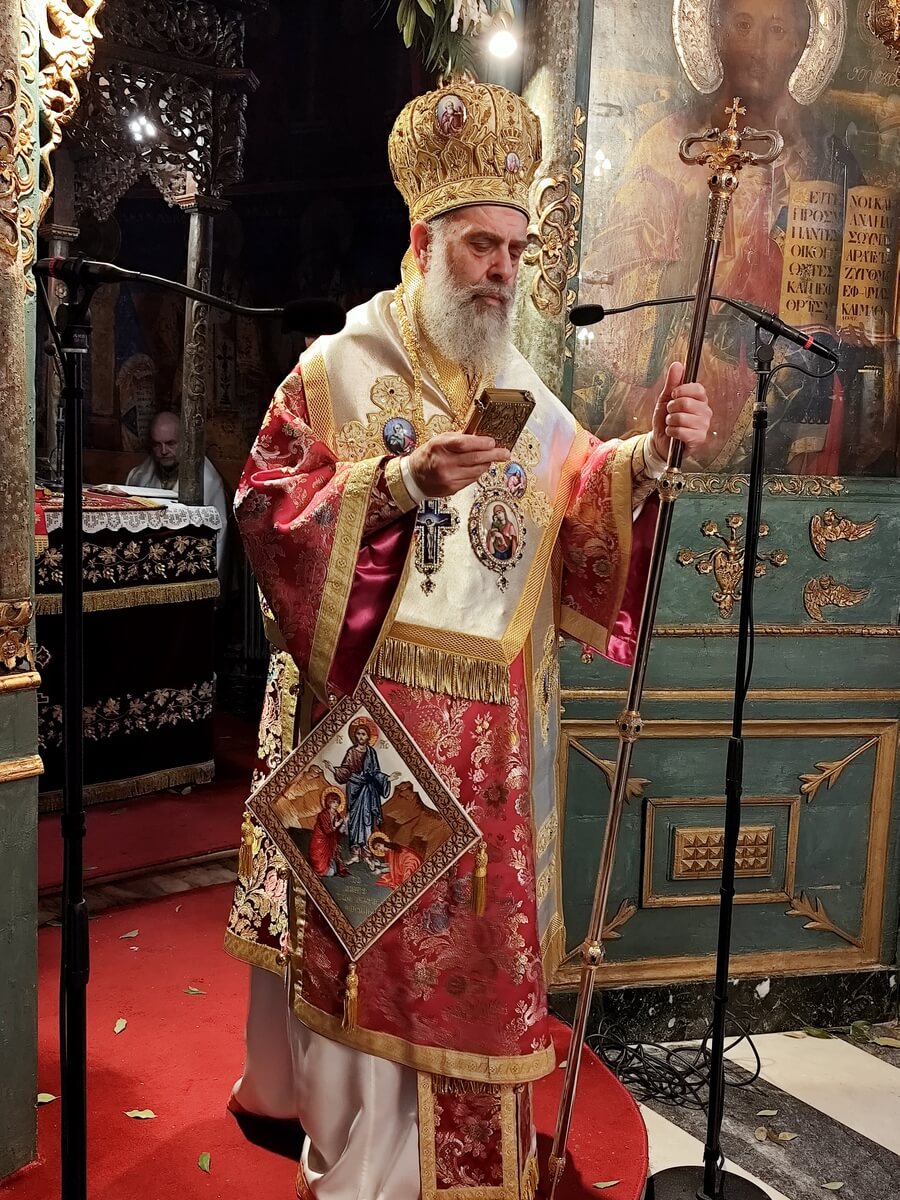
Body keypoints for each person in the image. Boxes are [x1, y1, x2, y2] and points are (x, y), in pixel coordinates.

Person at [224, 80, 712, 1199]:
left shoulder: (521, 385)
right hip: (370, 731)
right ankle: (365, 1169)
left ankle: (467, 1174)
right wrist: (398, 482)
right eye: (481, 246)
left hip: (488, 747)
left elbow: (580, 495)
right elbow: (266, 509)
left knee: (473, 967)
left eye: (514, 250)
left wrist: (650, 458)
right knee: (365, 952)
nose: (501, 271)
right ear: (424, 242)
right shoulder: (338, 367)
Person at [578, 0, 884, 474]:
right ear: (716, 33)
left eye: (777, 29)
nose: (758, 48)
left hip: (788, 377)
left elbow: (856, 285)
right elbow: (615, 270)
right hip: (688, 369)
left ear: (802, 44)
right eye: (743, 25)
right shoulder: (672, 142)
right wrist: (690, 250)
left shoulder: (829, 161)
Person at [125, 410, 230, 579]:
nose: (163, 451)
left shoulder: (208, 481)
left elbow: (219, 535)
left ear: (185, 442)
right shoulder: (138, 476)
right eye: (156, 444)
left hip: (188, 568)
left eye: (170, 443)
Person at [322, 719, 393, 867]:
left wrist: (387, 779)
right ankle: (355, 853)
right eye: (358, 734)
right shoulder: (351, 752)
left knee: (367, 821)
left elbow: (375, 772)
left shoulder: (371, 752)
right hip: (354, 789)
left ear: (368, 737)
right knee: (354, 822)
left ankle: (366, 854)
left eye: (363, 734)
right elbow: (346, 770)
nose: (361, 736)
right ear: (355, 736)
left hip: (367, 791)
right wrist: (333, 769)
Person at [307, 789, 349, 878]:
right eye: (333, 802)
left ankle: (330, 866)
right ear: (328, 802)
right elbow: (327, 830)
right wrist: (338, 823)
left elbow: (338, 832)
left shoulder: (337, 815)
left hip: (331, 842)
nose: (336, 804)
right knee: (323, 868)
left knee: (333, 870)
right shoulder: (323, 815)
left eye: (337, 802)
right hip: (320, 841)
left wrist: (344, 823)